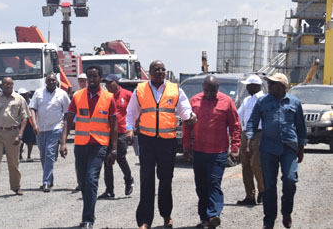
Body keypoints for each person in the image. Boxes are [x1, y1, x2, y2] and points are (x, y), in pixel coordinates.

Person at [126, 60, 196, 229]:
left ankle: (166, 215)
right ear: (150, 72)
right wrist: (129, 129)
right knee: (146, 180)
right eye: (156, 69)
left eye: (163, 69)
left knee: (166, 181)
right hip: (147, 141)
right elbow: (130, 113)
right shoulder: (140, 90)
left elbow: (185, 109)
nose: (160, 72)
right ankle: (145, 220)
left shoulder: (175, 89)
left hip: (167, 142)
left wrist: (189, 116)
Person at [59, 65, 118, 229]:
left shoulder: (108, 97)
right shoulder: (78, 96)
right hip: (81, 145)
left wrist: (113, 149)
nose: (91, 79)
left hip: (98, 144)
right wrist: (63, 143)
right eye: (89, 76)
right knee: (83, 182)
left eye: (94, 76)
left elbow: (113, 125)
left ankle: (88, 219)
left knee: (91, 181)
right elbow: (68, 120)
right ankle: (89, 212)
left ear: (100, 78)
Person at [246, 73, 306, 229]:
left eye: (273, 84)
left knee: (290, 179)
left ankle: (286, 212)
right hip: (268, 149)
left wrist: (301, 148)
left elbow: (301, 127)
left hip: (289, 148)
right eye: (269, 83)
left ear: (282, 86)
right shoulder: (262, 102)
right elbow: (252, 122)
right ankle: (269, 220)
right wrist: (249, 141)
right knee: (269, 186)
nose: (269, 86)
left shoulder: (295, 103)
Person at [182, 75, 240, 229]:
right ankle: (204, 218)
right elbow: (186, 126)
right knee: (201, 186)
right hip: (199, 151)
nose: (209, 94)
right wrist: (186, 147)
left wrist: (235, 148)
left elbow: (235, 125)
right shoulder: (194, 101)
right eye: (206, 90)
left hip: (218, 152)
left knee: (213, 183)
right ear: (203, 87)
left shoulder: (227, 102)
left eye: (212, 91)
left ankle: (213, 214)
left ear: (218, 88)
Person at [0, 77, 32, 198]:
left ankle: (16, 187)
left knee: (13, 162)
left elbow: (25, 118)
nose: (8, 86)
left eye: (10, 84)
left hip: (13, 132)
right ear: (2, 85)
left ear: (13, 85)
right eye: (5, 84)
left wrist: (20, 135)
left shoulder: (19, 99)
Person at [30, 73, 70, 192]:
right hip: (40, 129)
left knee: (49, 154)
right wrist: (34, 124)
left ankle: (46, 182)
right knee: (43, 156)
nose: (52, 82)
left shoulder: (62, 94)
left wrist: (64, 126)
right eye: (49, 80)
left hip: (55, 128)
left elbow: (67, 112)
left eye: (54, 80)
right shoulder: (38, 93)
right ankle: (50, 179)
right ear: (46, 81)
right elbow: (32, 108)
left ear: (56, 82)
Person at [98, 74, 134, 199]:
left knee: (120, 157)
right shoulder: (105, 96)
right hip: (107, 132)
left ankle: (128, 179)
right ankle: (109, 190)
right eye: (106, 83)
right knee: (107, 160)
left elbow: (135, 109)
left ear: (116, 82)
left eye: (109, 83)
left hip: (122, 131)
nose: (107, 85)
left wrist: (133, 128)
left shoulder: (127, 94)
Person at [237, 75, 265, 206]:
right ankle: (249, 195)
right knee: (246, 166)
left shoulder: (264, 100)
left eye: (248, 85)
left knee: (256, 164)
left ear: (256, 86)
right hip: (245, 133)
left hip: (259, 134)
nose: (247, 87)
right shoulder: (247, 100)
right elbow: (238, 116)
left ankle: (263, 190)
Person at [18, 88, 37, 162]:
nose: (26, 95)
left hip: (29, 123)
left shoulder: (31, 101)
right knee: (21, 140)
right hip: (21, 122)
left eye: (26, 93)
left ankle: (29, 156)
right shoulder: (18, 102)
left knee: (30, 140)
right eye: (24, 94)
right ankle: (20, 156)